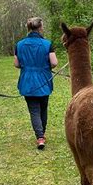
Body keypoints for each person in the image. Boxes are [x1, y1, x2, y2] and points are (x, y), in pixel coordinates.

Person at [14, 17, 58, 149]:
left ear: (28, 28)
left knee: (34, 110)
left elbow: (16, 64)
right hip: (44, 80)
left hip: (27, 80)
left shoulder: (19, 45)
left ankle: (40, 137)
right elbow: (54, 62)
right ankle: (41, 134)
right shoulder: (47, 44)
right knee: (43, 108)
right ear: (40, 28)